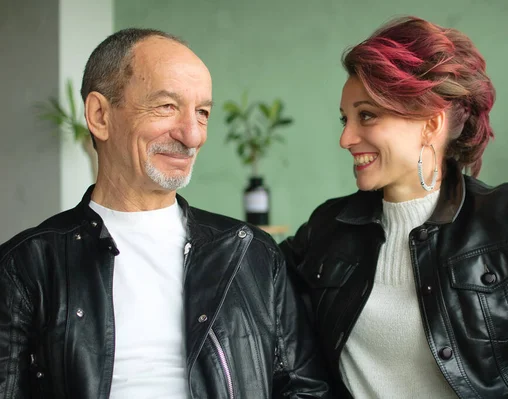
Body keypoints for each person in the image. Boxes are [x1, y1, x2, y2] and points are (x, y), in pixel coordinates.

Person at [280, 16, 508, 399]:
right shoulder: (328, 228)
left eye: (367, 115)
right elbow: (249, 286)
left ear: (431, 124)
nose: (346, 138)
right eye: (345, 119)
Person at [0, 28, 330, 398]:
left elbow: (305, 390)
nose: (192, 135)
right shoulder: (25, 265)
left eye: (202, 112)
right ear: (100, 115)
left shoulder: (251, 253)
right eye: (167, 106)